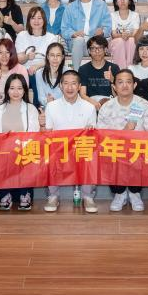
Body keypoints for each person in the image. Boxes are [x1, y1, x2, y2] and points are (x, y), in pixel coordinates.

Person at [96, 69, 148, 212]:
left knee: (141, 155)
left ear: (134, 85)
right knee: (108, 154)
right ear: (114, 86)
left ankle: (135, 193)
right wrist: (126, 131)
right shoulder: (107, 107)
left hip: (138, 150)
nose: (124, 85)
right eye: (120, 82)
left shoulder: (143, 105)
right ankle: (120, 194)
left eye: (128, 82)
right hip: (115, 150)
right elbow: (102, 136)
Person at [43, 70, 98, 213]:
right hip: (59, 149)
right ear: (60, 86)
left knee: (90, 154)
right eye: (66, 83)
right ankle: (53, 196)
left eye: (74, 84)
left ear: (79, 86)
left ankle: (88, 196)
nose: (70, 87)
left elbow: (93, 136)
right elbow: (48, 133)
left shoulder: (89, 107)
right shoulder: (51, 106)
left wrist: (90, 130)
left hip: (80, 149)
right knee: (49, 154)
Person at [0, 74, 39, 211]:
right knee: (5, 156)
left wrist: (19, 144)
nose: (16, 92)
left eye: (19, 88)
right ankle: (5, 194)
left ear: (24, 90)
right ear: (7, 90)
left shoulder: (31, 109)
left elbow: (34, 132)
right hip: (5, 150)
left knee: (27, 155)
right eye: (12, 88)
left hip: (24, 149)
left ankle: (25, 194)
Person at [61, 0, 112, 69]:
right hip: (76, 44)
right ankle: (76, 72)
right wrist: (73, 34)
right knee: (79, 40)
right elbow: (64, 30)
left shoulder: (101, 5)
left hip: (95, 43)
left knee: (97, 44)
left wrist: (102, 31)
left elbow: (108, 27)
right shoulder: (70, 7)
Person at [0, 39, 29, 116]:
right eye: (0, 52)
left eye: (7, 52)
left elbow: (23, 93)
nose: (4, 56)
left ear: (12, 53)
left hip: (13, 106)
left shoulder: (21, 69)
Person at [15, 6, 61, 79]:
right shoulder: (21, 35)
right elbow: (18, 60)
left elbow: (52, 59)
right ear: (29, 20)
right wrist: (27, 57)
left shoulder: (51, 37)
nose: (36, 21)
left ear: (44, 20)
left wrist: (37, 66)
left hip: (44, 69)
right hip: (24, 70)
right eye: (33, 18)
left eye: (39, 18)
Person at [77, 35, 119, 111]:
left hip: (110, 105)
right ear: (89, 51)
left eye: (100, 48)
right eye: (93, 48)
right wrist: (95, 104)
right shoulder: (83, 69)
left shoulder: (114, 68)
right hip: (90, 105)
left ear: (105, 50)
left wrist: (112, 80)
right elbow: (82, 94)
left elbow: (119, 94)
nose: (97, 51)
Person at [109, 0, 144, 69]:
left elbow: (135, 34)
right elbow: (114, 34)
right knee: (120, 41)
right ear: (116, 2)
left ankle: (131, 68)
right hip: (116, 43)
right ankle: (120, 70)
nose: (122, 1)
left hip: (130, 41)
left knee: (132, 40)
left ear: (130, 1)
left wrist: (128, 35)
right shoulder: (112, 15)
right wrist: (122, 36)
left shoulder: (135, 15)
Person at [34, 41, 66, 108]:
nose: (55, 58)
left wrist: (52, 99)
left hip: (64, 107)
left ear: (62, 57)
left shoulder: (68, 72)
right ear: (47, 56)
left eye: (58, 55)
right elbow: (41, 97)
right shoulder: (39, 73)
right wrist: (47, 101)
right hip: (47, 107)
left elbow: (69, 95)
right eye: (52, 55)